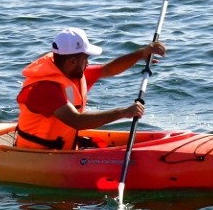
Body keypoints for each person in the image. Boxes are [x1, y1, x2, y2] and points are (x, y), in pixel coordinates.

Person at [15, 28, 168, 150]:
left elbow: (108, 69)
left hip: (62, 149)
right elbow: (77, 121)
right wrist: (123, 112)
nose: (88, 62)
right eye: (86, 58)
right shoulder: (43, 89)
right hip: (37, 155)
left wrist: (141, 54)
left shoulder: (70, 72)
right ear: (73, 61)